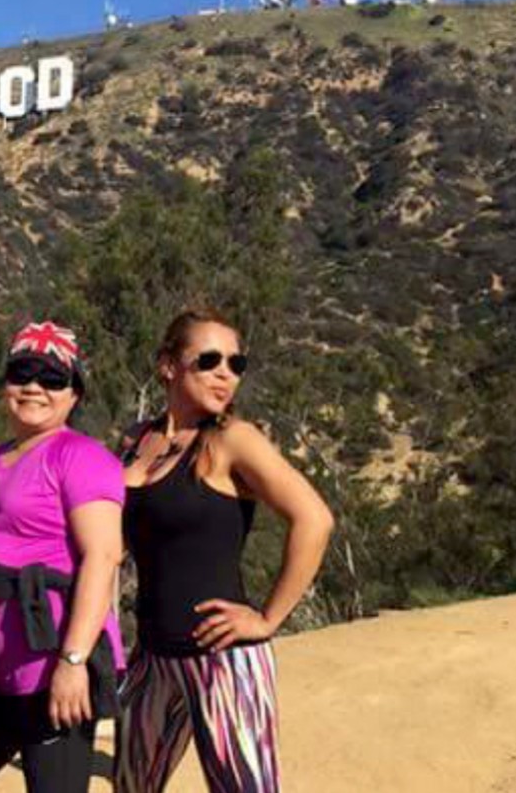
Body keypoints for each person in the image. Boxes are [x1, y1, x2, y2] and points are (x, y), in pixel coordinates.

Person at [115, 308, 335, 793]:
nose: (225, 373)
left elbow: (314, 519)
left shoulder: (234, 439)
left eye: (236, 364)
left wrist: (268, 618)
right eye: (209, 359)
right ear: (168, 365)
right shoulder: (135, 441)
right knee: (130, 787)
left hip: (224, 659)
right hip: (152, 655)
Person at [0, 321, 127, 793]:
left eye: (53, 378)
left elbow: (102, 557)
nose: (35, 387)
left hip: (54, 665)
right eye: (23, 373)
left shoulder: (80, 457)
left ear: (74, 394)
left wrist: (74, 661)